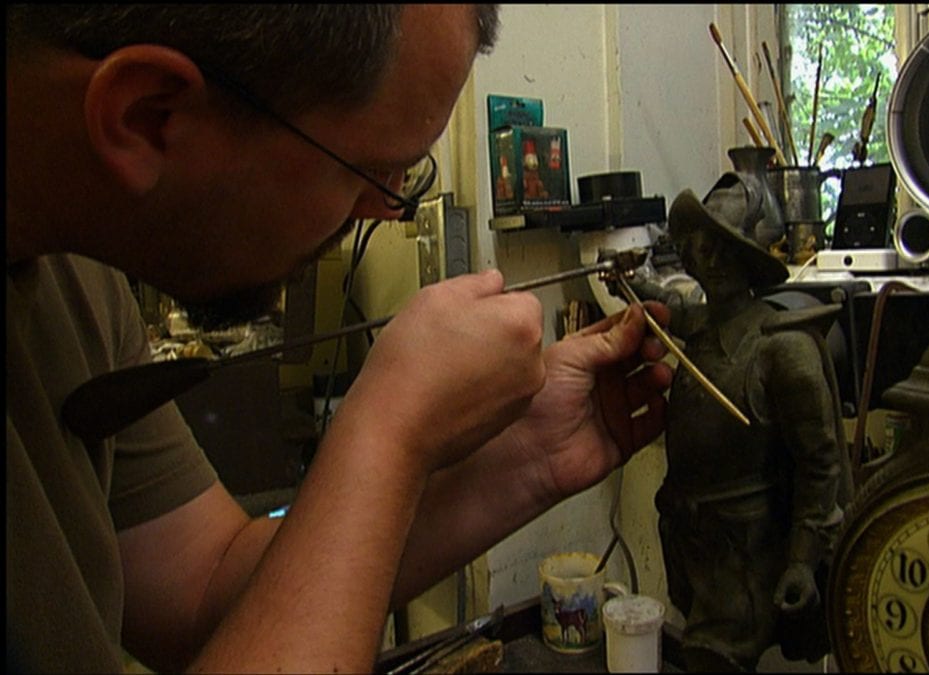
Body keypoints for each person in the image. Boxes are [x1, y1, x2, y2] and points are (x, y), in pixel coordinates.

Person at [6, 5, 672, 673]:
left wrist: (528, 459)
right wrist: (387, 426)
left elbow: (204, 588)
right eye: (368, 172)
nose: (381, 211)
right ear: (146, 116)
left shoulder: (77, 278)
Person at [623, 175, 853, 671]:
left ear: (749, 259)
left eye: (725, 250)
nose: (711, 262)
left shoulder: (782, 349)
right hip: (692, 539)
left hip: (749, 554)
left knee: (716, 657)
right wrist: (624, 280)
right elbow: (677, 309)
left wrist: (801, 560)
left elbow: (820, 464)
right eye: (702, 249)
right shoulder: (703, 323)